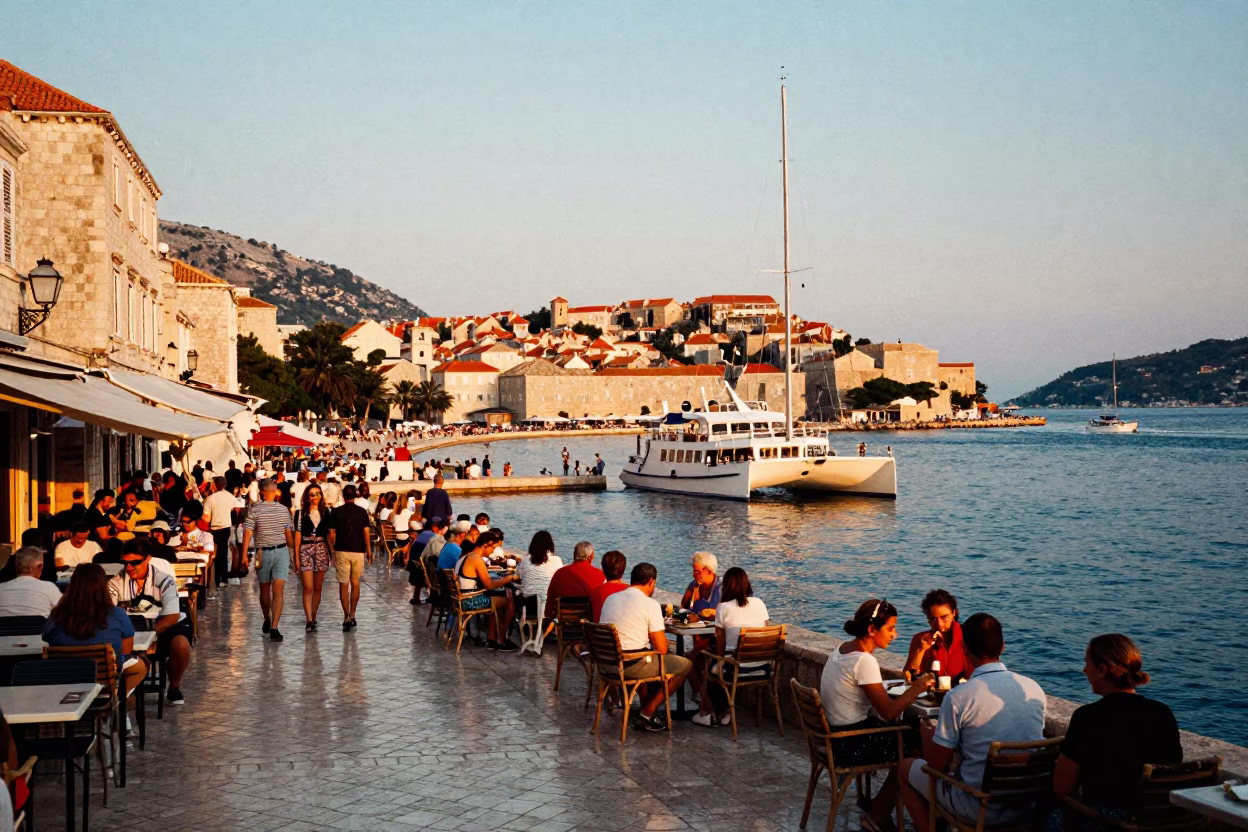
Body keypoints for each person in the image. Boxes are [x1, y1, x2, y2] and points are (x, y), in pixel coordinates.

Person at [900, 613, 1047, 832]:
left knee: (905, 768)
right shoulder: (1034, 688)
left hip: (979, 805)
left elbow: (936, 765)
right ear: (1003, 646)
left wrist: (926, 735)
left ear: (965, 650)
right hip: (1027, 805)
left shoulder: (959, 696)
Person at [820, 599, 935, 832]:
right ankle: (878, 815)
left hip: (834, 736)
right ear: (872, 630)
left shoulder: (843, 649)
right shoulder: (864, 660)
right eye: (891, 628)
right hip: (851, 742)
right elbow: (889, 712)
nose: (895, 634)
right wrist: (918, 688)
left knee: (909, 737)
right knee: (915, 750)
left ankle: (879, 806)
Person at [1050, 634, 1181, 829]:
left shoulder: (1088, 717)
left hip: (1108, 822)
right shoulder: (1162, 713)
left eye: (1087, 663)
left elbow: (1062, 788)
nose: (1084, 670)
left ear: (1102, 670)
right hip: (1157, 821)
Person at [599, 562, 693, 733]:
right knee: (685, 665)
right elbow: (662, 649)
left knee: (644, 653)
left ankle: (646, 707)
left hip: (606, 664)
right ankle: (647, 712)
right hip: (630, 666)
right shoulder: (650, 604)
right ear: (651, 582)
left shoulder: (610, 599)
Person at [109, 539, 192, 706]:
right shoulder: (115, 583)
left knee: (181, 645)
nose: (129, 567)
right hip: (130, 630)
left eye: (135, 563)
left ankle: (174, 686)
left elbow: (172, 616)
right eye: (125, 563)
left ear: (148, 559)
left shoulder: (164, 581)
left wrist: (148, 636)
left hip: (162, 628)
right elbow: (108, 614)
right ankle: (126, 690)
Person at [45, 563, 147, 697]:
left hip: (66, 676)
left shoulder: (56, 615)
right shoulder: (117, 614)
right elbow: (126, 650)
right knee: (141, 665)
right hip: (105, 674)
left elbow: (47, 639)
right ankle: (118, 703)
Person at [693, 566, 771, 727]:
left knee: (704, 661)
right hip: (763, 666)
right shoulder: (760, 604)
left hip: (736, 668)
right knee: (719, 662)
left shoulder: (723, 608)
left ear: (726, 586)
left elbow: (720, 651)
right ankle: (723, 710)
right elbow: (764, 631)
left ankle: (709, 710)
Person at [241, 478, 295, 642]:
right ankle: (274, 627)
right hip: (281, 551)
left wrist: (244, 555)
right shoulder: (284, 510)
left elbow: (247, 533)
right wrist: (294, 552)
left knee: (265, 590)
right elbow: (288, 535)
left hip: (261, 553)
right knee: (278, 590)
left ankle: (268, 619)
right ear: (276, 491)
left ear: (261, 492)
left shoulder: (254, 510)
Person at [452, 530, 518, 650]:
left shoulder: (467, 556)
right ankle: (501, 638)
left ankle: (492, 638)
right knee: (509, 600)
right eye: (492, 547)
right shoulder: (476, 559)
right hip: (469, 601)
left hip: (461, 599)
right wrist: (509, 578)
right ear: (486, 544)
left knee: (497, 598)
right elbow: (490, 585)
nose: (493, 551)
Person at [329, 484, 371, 631]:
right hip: (358, 550)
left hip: (341, 550)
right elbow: (366, 532)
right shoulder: (362, 512)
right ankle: (353, 614)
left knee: (343, 584)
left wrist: (332, 550)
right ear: (355, 495)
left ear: (343, 495)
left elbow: (332, 534)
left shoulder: (336, 512)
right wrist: (369, 550)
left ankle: (346, 615)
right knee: (355, 583)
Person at [903, 589, 970, 683]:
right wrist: (921, 650)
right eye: (932, 619)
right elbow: (908, 677)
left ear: (953, 613)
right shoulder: (919, 639)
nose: (938, 624)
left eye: (944, 617)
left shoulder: (968, 636)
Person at [293, 483, 333, 633]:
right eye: (311, 494)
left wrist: (333, 553)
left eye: (317, 493)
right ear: (307, 497)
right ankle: (308, 619)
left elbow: (329, 535)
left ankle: (314, 616)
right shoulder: (300, 514)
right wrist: (296, 557)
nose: (315, 497)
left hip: (321, 548)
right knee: (308, 587)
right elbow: (297, 537)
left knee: (318, 588)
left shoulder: (326, 513)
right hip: (305, 548)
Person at [515, 531, 563, 629]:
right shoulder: (557, 560)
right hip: (549, 607)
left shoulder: (525, 559)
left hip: (530, 605)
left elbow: (519, 576)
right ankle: (544, 631)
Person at [545, 541, 605, 618]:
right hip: (589, 625)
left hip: (564, 625)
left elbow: (549, 608)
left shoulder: (559, 573)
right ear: (590, 557)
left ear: (574, 555)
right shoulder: (600, 575)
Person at [0, 546, 62, 617]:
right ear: (40, 566)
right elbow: (65, 612)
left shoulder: (1, 588)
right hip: (40, 627)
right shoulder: (49, 588)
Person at [203, 475, 236, 588]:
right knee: (224, 552)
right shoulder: (230, 496)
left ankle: (216, 578)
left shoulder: (210, 498)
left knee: (214, 554)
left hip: (214, 529)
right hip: (226, 527)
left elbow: (205, 518)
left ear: (215, 485)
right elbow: (236, 507)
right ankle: (223, 577)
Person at [589, 549, 628, 622]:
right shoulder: (630, 591)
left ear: (603, 570)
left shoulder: (595, 592)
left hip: (598, 632)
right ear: (623, 569)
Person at [681, 551, 722, 620]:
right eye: (693, 571)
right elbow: (684, 609)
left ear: (709, 571)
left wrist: (713, 612)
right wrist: (687, 596)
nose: (693, 575)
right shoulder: (693, 585)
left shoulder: (724, 587)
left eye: (697, 572)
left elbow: (734, 613)